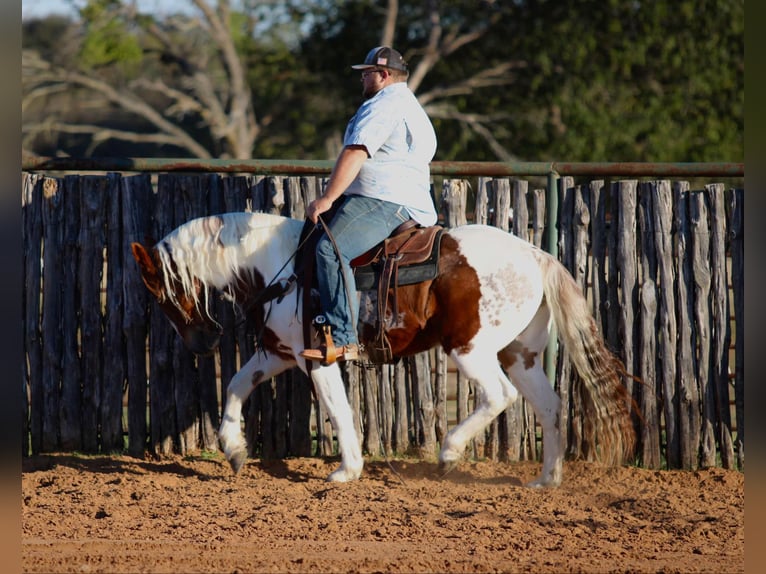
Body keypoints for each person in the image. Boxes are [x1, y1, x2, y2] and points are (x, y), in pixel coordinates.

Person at [300, 46, 438, 364]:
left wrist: (328, 198)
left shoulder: (384, 104)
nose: (362, 78)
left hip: (383, 199)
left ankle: (345, 339)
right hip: (407, 200)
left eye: (367, 73)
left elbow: (356, 152)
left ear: (384, 75)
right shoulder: (410, 105)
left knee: (329, 250)